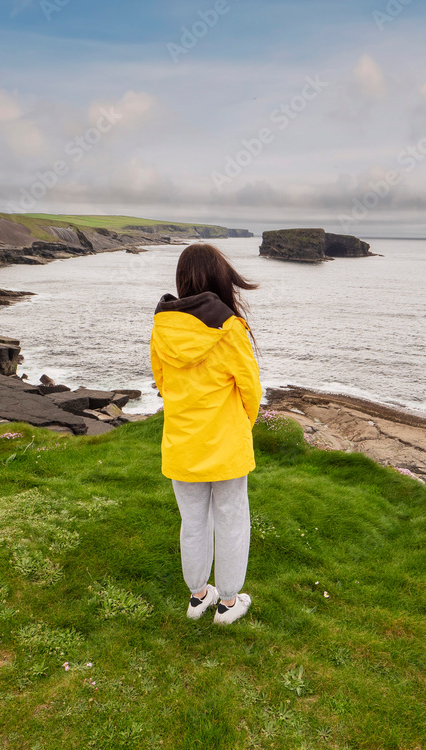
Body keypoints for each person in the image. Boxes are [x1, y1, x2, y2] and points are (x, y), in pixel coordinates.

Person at [150, 243, 262, 625]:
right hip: (226, 445)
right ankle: (228, 605)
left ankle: (198, 598)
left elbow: (163, 385)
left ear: (182, 280)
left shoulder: (162, 327)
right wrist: (241, 426)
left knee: (193, 522)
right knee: (231, 520)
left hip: (181, 444)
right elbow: (251, 390)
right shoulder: (229, 328)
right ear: (220, 277)